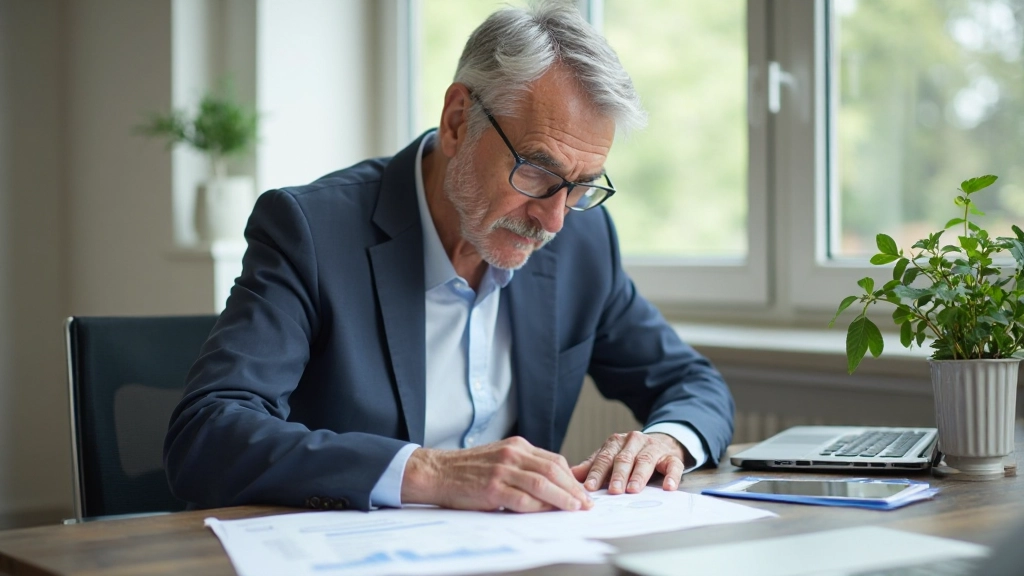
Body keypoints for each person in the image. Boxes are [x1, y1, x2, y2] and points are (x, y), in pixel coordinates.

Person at [163, 1, 734, 514]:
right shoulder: (312, 232)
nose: (555, 218)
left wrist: (668, 440)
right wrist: (431, 472)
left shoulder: (585, 242)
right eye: (535, 170)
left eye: (582, 186)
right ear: (459, 121)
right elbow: (208, 435)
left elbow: (691, 383)